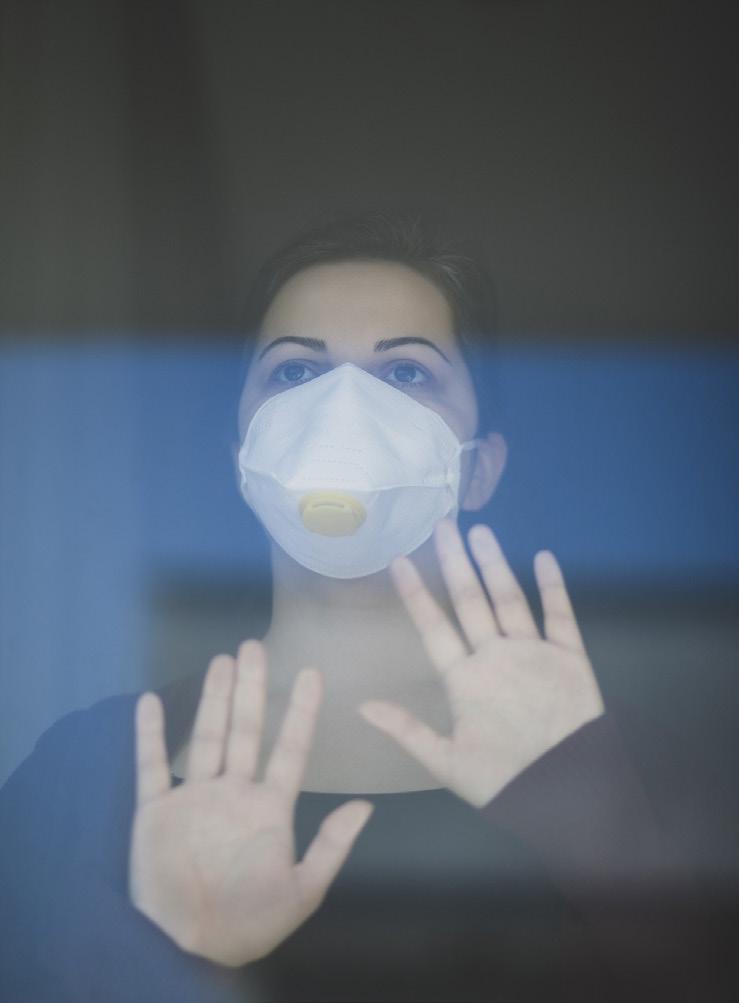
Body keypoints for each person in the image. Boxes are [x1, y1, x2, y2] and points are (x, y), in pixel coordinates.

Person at [0, 212, 727, 1002]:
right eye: (294, 372)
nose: (341, 408)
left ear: (479, 469)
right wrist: (190, 961)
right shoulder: (85, 774)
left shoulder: (626, 767)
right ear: (241, 459)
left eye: (406, 372)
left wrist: (597, 830)